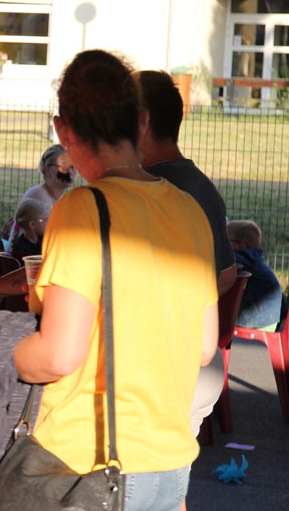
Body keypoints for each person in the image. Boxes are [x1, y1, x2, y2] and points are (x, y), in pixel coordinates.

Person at [7, 50, 217, 510]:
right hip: (169, 466)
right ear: (141, 121)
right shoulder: (189, 210)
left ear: (63, 131)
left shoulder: (82, 209)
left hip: (86, 464)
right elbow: (204, 347)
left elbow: (58, 356)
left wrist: (6, 350)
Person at [136, 69, 237, 440]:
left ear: (141, 122)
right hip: (197, 368)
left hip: (164, 368)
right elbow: (226, 274)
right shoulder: (200, 184)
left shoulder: (152, 190)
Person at [1, 144, 73, 240]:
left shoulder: (61, 199)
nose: (71, 172)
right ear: (47, 170)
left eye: (73, 166)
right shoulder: (38, 195)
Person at [227, 220, 285, 330]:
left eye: (227, 240)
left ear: (242, 246)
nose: (223, 244)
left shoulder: (245, 258)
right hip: (270, 320)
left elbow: (221, 264)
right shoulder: (253, 259)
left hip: (260, 323)